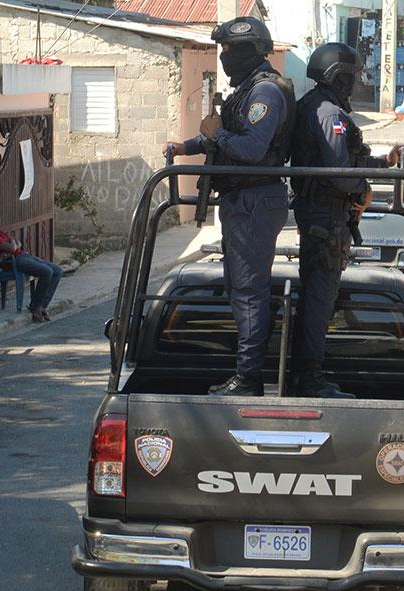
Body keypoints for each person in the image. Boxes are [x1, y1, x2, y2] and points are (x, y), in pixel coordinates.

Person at [162, 16, 295, 397]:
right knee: (240, 289)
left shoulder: (265, 93)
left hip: (255, 199)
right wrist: (186, 147)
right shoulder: (248, 89)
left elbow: (251, 149)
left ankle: (249, 380)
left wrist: (214, 133)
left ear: (248, 52)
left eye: (228, 51)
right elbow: (223, 137)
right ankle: (246, 374)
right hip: (244, 200)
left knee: (249, 293)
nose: (223, 59)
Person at [291, 42, 401, 398]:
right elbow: (339, 172)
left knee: (317, 294)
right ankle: (310, 380)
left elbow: (342, 163)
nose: (353, 84)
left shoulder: (318, 107)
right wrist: (362, 190)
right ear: (336, 76)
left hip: (323, 212)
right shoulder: (328, 113)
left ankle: (306, 374)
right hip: (326, 215)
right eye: (350, 77)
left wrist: (382, 164)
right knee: (319, 297)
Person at [0, 210, 63, 322]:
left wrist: (13, 245)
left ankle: (42, 305)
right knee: (47, 272)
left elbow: (17, 243)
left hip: (23, 255)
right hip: (15, 261)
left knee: (57, 270)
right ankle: (35, 305)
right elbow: (11, 247)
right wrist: (12, 245)